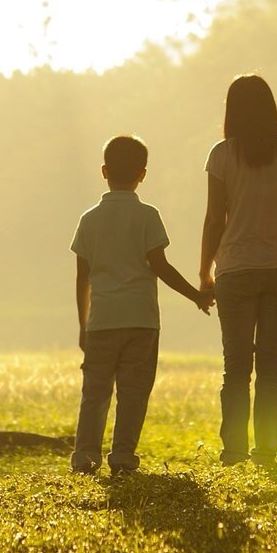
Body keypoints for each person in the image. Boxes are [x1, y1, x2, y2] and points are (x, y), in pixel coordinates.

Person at [71, 135, 212, 476]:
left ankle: (85, 456)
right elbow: (159, 267)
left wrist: (83, 324)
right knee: (133, 392)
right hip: (141, 320)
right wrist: (196, 295)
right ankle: (122, 456)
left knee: (95, 392)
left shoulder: (89, 219)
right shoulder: (148, 216)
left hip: (102, 319)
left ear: (104, 171)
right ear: (142, 174)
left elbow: (82, 277)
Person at [199, 74, 277, 466]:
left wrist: (203, 272)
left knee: (236, 368)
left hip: (236, 269)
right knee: (271, 367)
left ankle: (233, 451)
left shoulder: (222, 154)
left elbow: (215, 219)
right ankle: (266, 451)